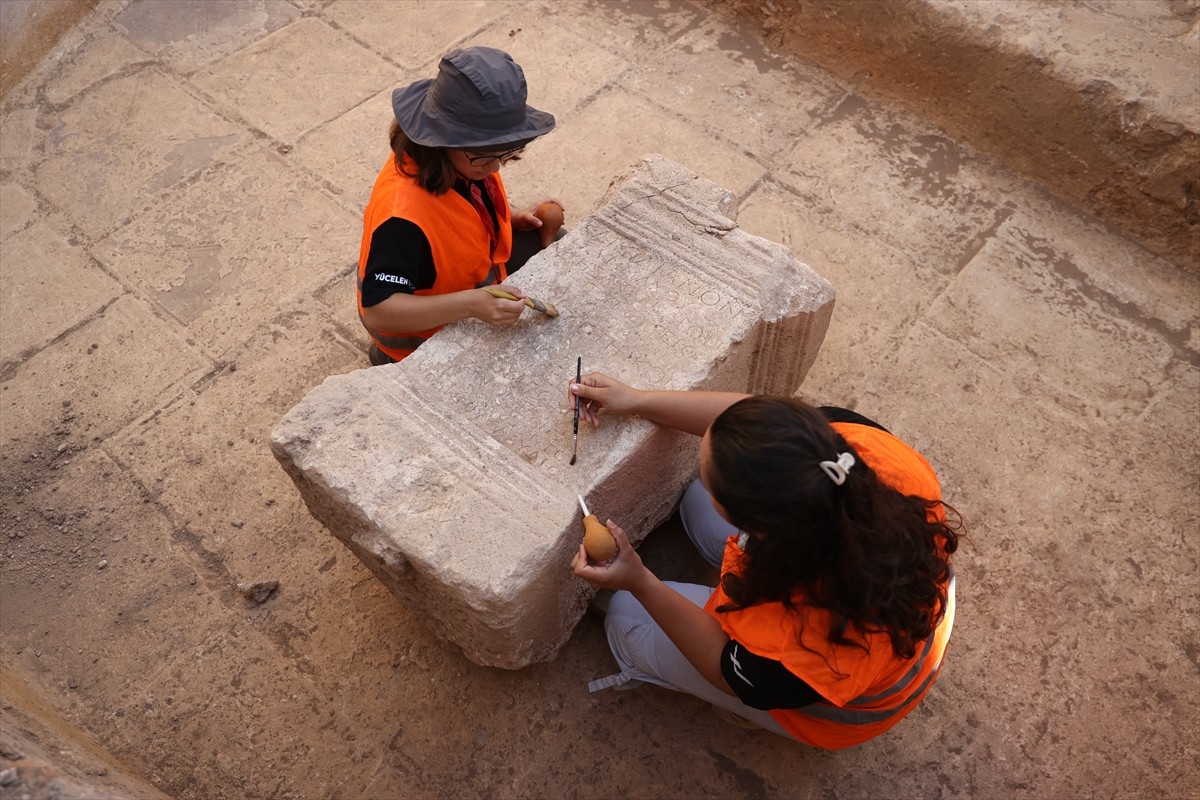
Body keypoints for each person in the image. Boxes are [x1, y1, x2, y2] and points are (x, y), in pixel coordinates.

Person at [568, 373, 961, 749]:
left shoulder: (804, 645)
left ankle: (757, 715)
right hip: (898, 600)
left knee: (625, 615)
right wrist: (637, 399)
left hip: (835, 701)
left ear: (761, 529)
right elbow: (748, 427)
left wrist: (639, 581)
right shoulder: (850, 454)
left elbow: (724, 667)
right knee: (697, 501)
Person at [358, 46, 564, 365]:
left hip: (467, 280)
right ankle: (386, 360)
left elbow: (458, 212)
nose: (495, 168)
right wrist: (472, 305)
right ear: (441, 139)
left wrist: (507, 218)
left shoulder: (458, 162)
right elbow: (378, 312)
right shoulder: (401, 220)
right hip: (418, 342)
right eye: (485, 155)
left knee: (557, 238)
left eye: (504, 153)